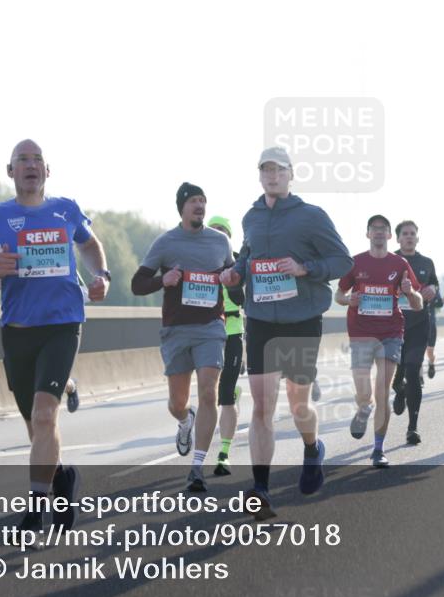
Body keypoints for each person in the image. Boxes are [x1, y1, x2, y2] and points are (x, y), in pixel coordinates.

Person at [0, 139, 109, 533]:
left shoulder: (66, 209)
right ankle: (62, 478)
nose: (30, 165)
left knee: (46, 415)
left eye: (37, 160)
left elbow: (91, 244)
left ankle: (34, 510)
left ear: (48, 170)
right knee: (36, 427)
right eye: (22, 160)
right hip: (18, 332)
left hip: (63, 325)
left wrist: (102, 276)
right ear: (10, 171)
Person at [220, 147, 352, 520]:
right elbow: (248, 256)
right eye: (265, 170)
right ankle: (260, 489)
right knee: (262, 406)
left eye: (278, 170)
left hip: (301, 319)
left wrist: (304, 267)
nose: (271, 176)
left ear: (291, 175)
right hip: (261, 318)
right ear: (259, 175)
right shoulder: (251, 217)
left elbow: (342, 262)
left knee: (297, 404)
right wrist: (236, 272)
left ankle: (312, 448)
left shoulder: (311, 216)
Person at [131, 183, 233, 492]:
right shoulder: (166, 242)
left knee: (208, 393)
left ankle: (197, 467)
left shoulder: (220, 242)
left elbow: (235, 282)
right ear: (182, 208)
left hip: (211, 328)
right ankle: (184, 419)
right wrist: (165, 279)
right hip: (176, 330)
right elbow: (137, 284)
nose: (200, 206)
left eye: (203, 201)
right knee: (177, 402)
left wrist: (233, 279)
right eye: (193, 201)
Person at [335, 215, 422, 467]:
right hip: (361, 333)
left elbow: (417, 304)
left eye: (383, 229)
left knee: (382, 390)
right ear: (368, 234)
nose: (379, 233)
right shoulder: (356, 262)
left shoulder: (400, 263)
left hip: (391, 333)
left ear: (389, 236)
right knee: (365, 393)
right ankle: (364, 408)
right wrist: (347, 300)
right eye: (374, 229)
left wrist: (409, 291)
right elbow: (339, 294)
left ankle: (378, 449)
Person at [390, 220, 439, 444]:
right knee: (397, 375)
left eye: (413, 234)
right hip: (393, 326)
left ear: (417, 238)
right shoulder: (389, 261)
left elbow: (434, 286)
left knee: (412, 371)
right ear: (398, 238)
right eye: (405, 234)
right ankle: (398, 390)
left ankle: (412, 427)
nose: (409, 237)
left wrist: (432, 289)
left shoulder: (426, 262)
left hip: (419, 324)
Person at [207, 215, 246, 477]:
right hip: (204, 332)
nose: (218, 235)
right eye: (214, 231)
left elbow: (243, 298)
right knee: (205, 392)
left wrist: (230, 278)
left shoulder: (238, 263)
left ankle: (224, 452)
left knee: (226, 394)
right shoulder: (198, 261)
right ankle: (186, 421)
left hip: (232, 331)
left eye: (223, 231)